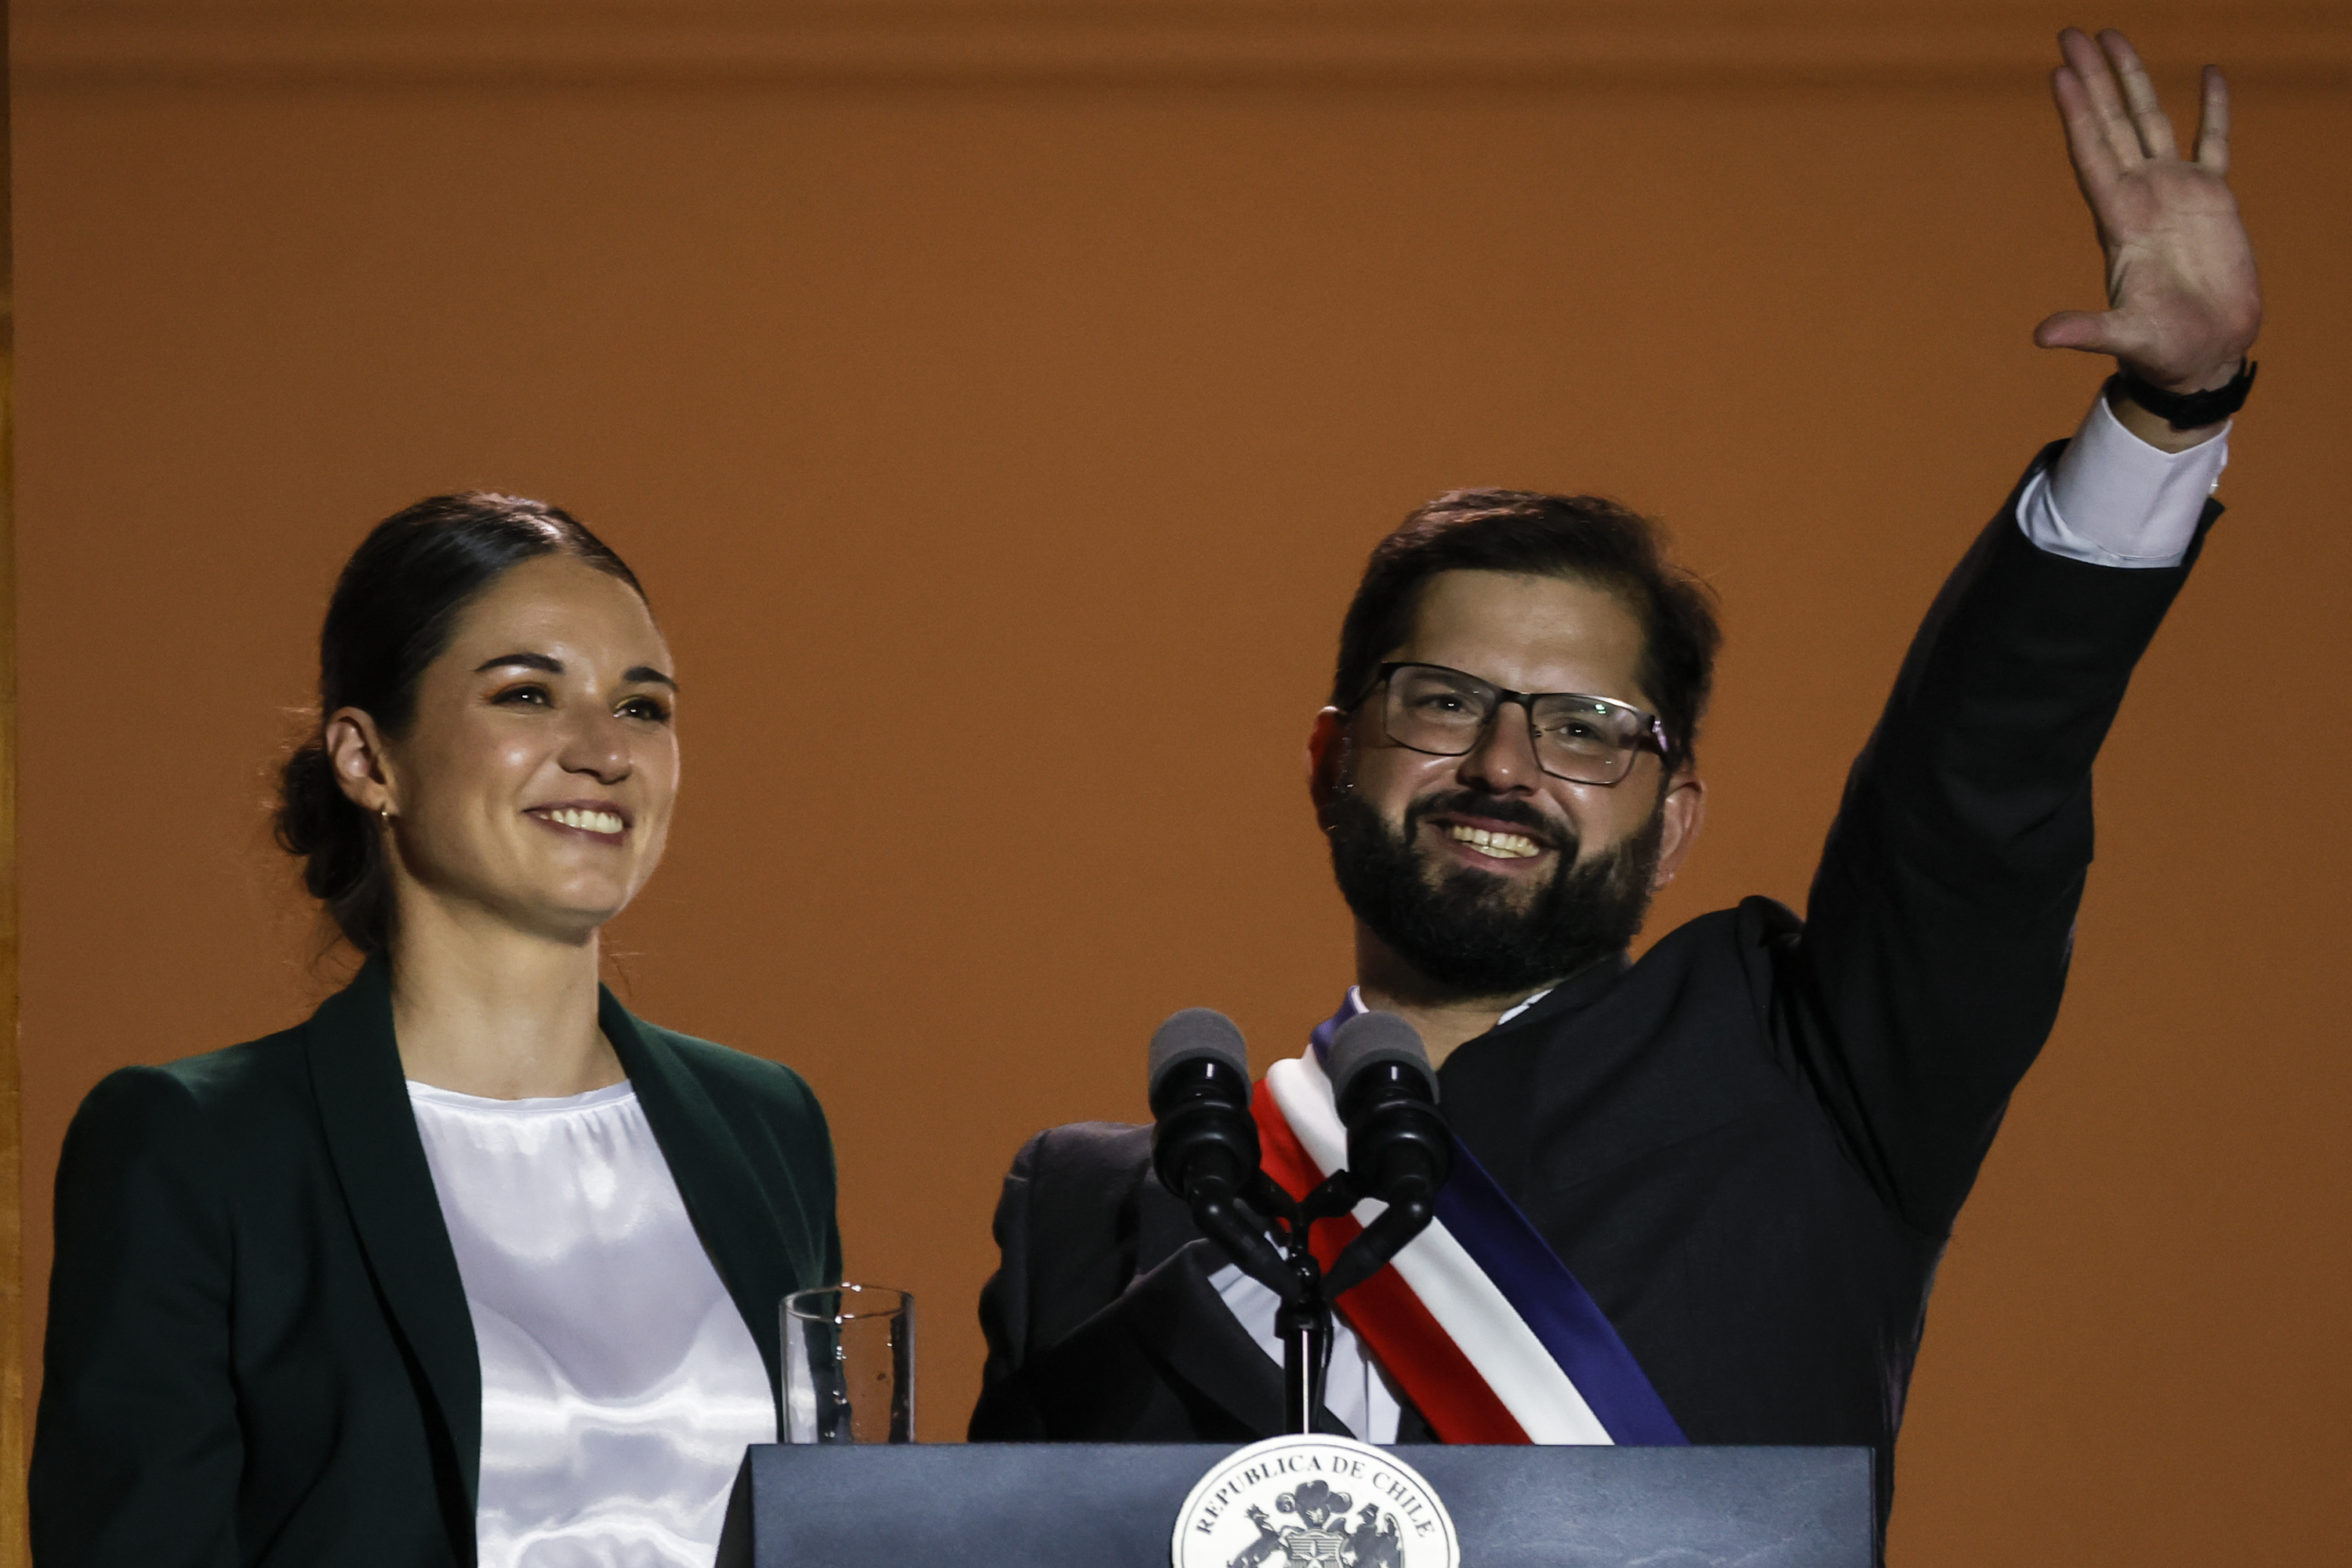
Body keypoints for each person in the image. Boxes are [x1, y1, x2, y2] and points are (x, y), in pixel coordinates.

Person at [968, 23, 2261, 1542]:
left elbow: (1972, 791)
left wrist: (2164, 421)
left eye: (1586, 727)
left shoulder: (1809, 1073)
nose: (1507, 765)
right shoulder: (1101, 1207)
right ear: (1330, 758)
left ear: (1675, 819)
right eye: (1445, 701)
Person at [30, 495, 840, 1566]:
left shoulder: (766, 1124)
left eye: (643, 708)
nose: (603, 751)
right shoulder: (194, 1147)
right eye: (528, 694)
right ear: (369, 761)